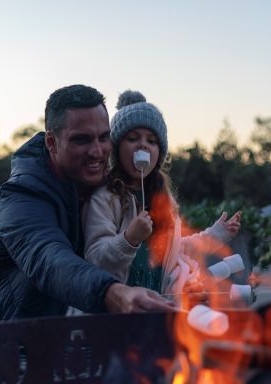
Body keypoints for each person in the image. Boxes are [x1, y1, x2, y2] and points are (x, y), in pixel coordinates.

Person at [0, 85, 175, 324]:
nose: (97, 151)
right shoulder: (20, 198)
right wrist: (113, 293)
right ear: (52, 142)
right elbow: (51, 262)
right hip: (5, 342)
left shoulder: (103, 187)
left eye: (104, 137)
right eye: (81, 140)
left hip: (65, 338)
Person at [82, 90, 241, 303]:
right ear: (117, 149)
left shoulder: (164, 201)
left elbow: (175, 251)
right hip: (118, 309)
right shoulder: (106, 198)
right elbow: (95, 259)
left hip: (158, 305)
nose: (143, 145)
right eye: (132, 138)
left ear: (159, 154)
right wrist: (129, 239)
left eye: (152, 141)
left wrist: (215, 236)